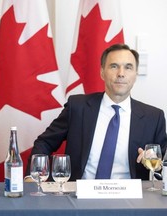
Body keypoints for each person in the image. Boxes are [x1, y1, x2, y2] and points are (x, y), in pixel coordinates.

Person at [26, 43, 167, 180]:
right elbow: (45, 142)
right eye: (114, 66)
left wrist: (155, 162)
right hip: (79, 196)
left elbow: (163, 164)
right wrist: (32, 177)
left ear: (135, 74)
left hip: (130, 200)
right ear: (102, 72)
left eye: (128, 67)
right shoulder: (77, 107)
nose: (121, 74)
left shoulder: (154, 117)